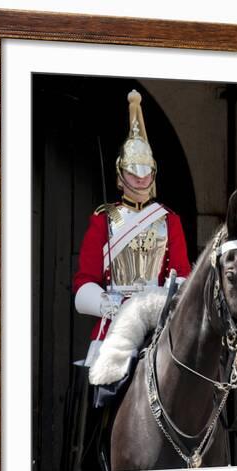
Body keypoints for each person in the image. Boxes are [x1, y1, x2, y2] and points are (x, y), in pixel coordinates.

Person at [73, 90, 191, 360]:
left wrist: (162, 303)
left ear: (154, 173)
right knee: (103, 389)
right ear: (120, 175)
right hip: (114, 321)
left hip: (158, 319)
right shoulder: (104, 219)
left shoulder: (168, 219)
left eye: (145, 171)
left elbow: (183, 273)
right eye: (132, 172)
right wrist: (109, 306)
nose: (140, 179)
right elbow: (84, 284)